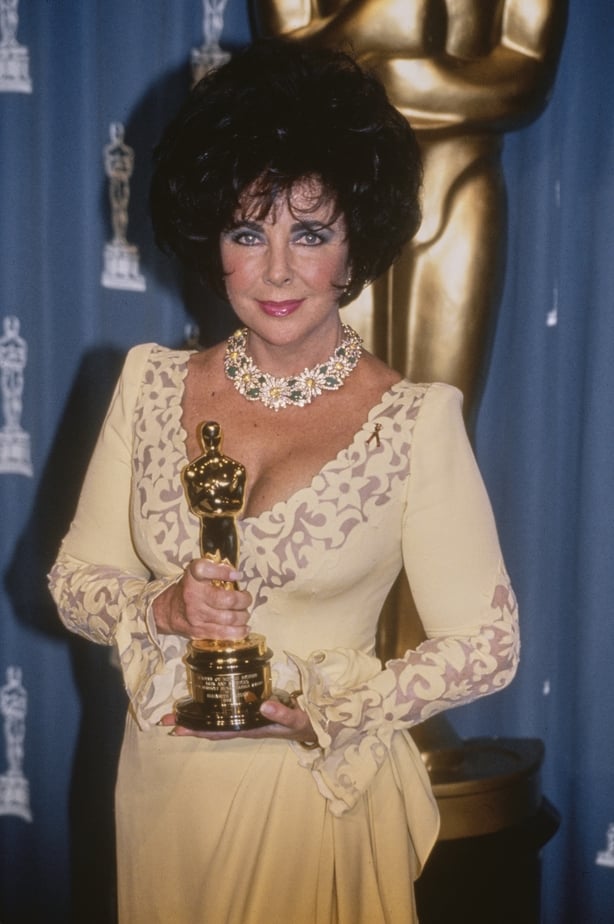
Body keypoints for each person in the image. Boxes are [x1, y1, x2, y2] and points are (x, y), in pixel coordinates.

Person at [48, 39, 519, 924]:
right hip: (166, 798)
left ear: (353, 245)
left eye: (308, 232)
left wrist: (323, 714)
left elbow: (488, 644)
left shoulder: (414, 420)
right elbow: (74, 581)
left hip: (316, 795)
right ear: (209, 238)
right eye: (245, 230)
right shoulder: (148, 385)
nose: (274, 269)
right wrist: (164, 610)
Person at [255, 0, 567, 409]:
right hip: (336, 183)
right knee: (327, 408)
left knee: (444, 410)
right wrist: (376, 18)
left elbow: (526, 72)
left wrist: (407, 74)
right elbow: (282, 61)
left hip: (457, 175)